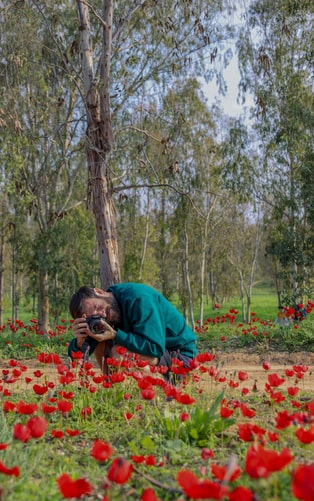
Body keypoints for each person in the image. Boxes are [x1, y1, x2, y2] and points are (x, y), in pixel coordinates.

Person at [68, 283, 198, 377]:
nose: (101, 315)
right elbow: (78, 357)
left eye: (97, 306)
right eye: (94, 316)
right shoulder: (105, 313)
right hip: (158, 356)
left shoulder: (139, 299)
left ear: (100, 292)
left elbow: (155, 347)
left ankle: (165, 389)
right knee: (98, 337)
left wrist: (115, 335)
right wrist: (79, 343)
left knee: (119, 353)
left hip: (181, 357)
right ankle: (112, 388)